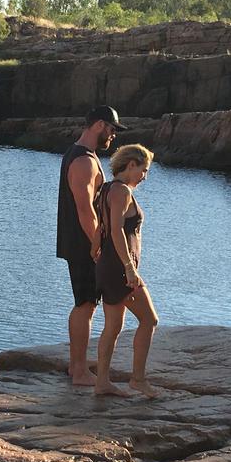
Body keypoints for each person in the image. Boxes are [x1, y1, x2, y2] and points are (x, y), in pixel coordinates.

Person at [57, 105, 128, 386]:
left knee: (86, 304)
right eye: (111, 129)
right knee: (85, 305)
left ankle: (77, 368)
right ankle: (79, 371)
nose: (113, 136)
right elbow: (85, 209)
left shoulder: (82, 156)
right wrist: (97, 245)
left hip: (80, 243)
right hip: (84, 244)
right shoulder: (84, 161)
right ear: (99, 125)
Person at [94, 144, 159, 398]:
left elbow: (102, 228)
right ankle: (138, 380)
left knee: (113, 326)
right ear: (130, 165)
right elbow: (117, 230)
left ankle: (102, 382)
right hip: (120, 269)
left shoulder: (108, 189)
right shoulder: (121, 191)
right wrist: (130, 268)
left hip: (109, 266)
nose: (144, 176)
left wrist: (96, 251)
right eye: (143, 170)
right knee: (149, 320)